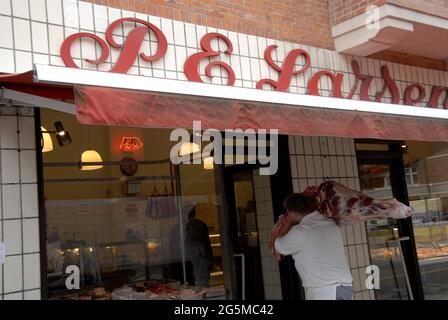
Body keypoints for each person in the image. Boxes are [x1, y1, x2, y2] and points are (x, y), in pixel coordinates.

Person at [274, 193, 353, 300]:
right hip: (339, 286)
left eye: (288, 213)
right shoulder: (329, 222)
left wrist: (288, 223)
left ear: (294, 213)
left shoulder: (301, 231)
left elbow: (278, 246)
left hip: (326, 290)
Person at [185, 206, 214, 288]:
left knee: (202, 283)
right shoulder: (190, 225)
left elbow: (201, 241)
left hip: (201, 259)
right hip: (194, 259)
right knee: (197, 284)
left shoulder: (199, 225)